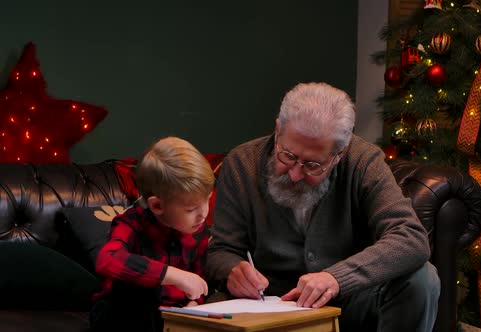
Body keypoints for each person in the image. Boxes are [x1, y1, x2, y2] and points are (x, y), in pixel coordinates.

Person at [207, 82, 441, 331]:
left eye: (313, 165)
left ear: (339, 154)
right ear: (277, 129)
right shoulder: (242, 163)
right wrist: (232, 270)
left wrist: (336, 278)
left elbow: (411, 238)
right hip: (267, 304)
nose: (295, 174)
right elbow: (220, 251)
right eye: (287, 155)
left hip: (347, 302)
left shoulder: (362, 161)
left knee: (423, 279)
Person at [90, 136, 215, 332]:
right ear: (157, 205)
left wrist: (195, 302)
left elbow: (198, 279)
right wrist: (171, 275)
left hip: (173, 316)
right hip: (124, 315)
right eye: (191, 209)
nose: (204, 213)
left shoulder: (198, 231)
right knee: (137, 294)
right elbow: (107, 259)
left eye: (207, 200)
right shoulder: (131, 224)